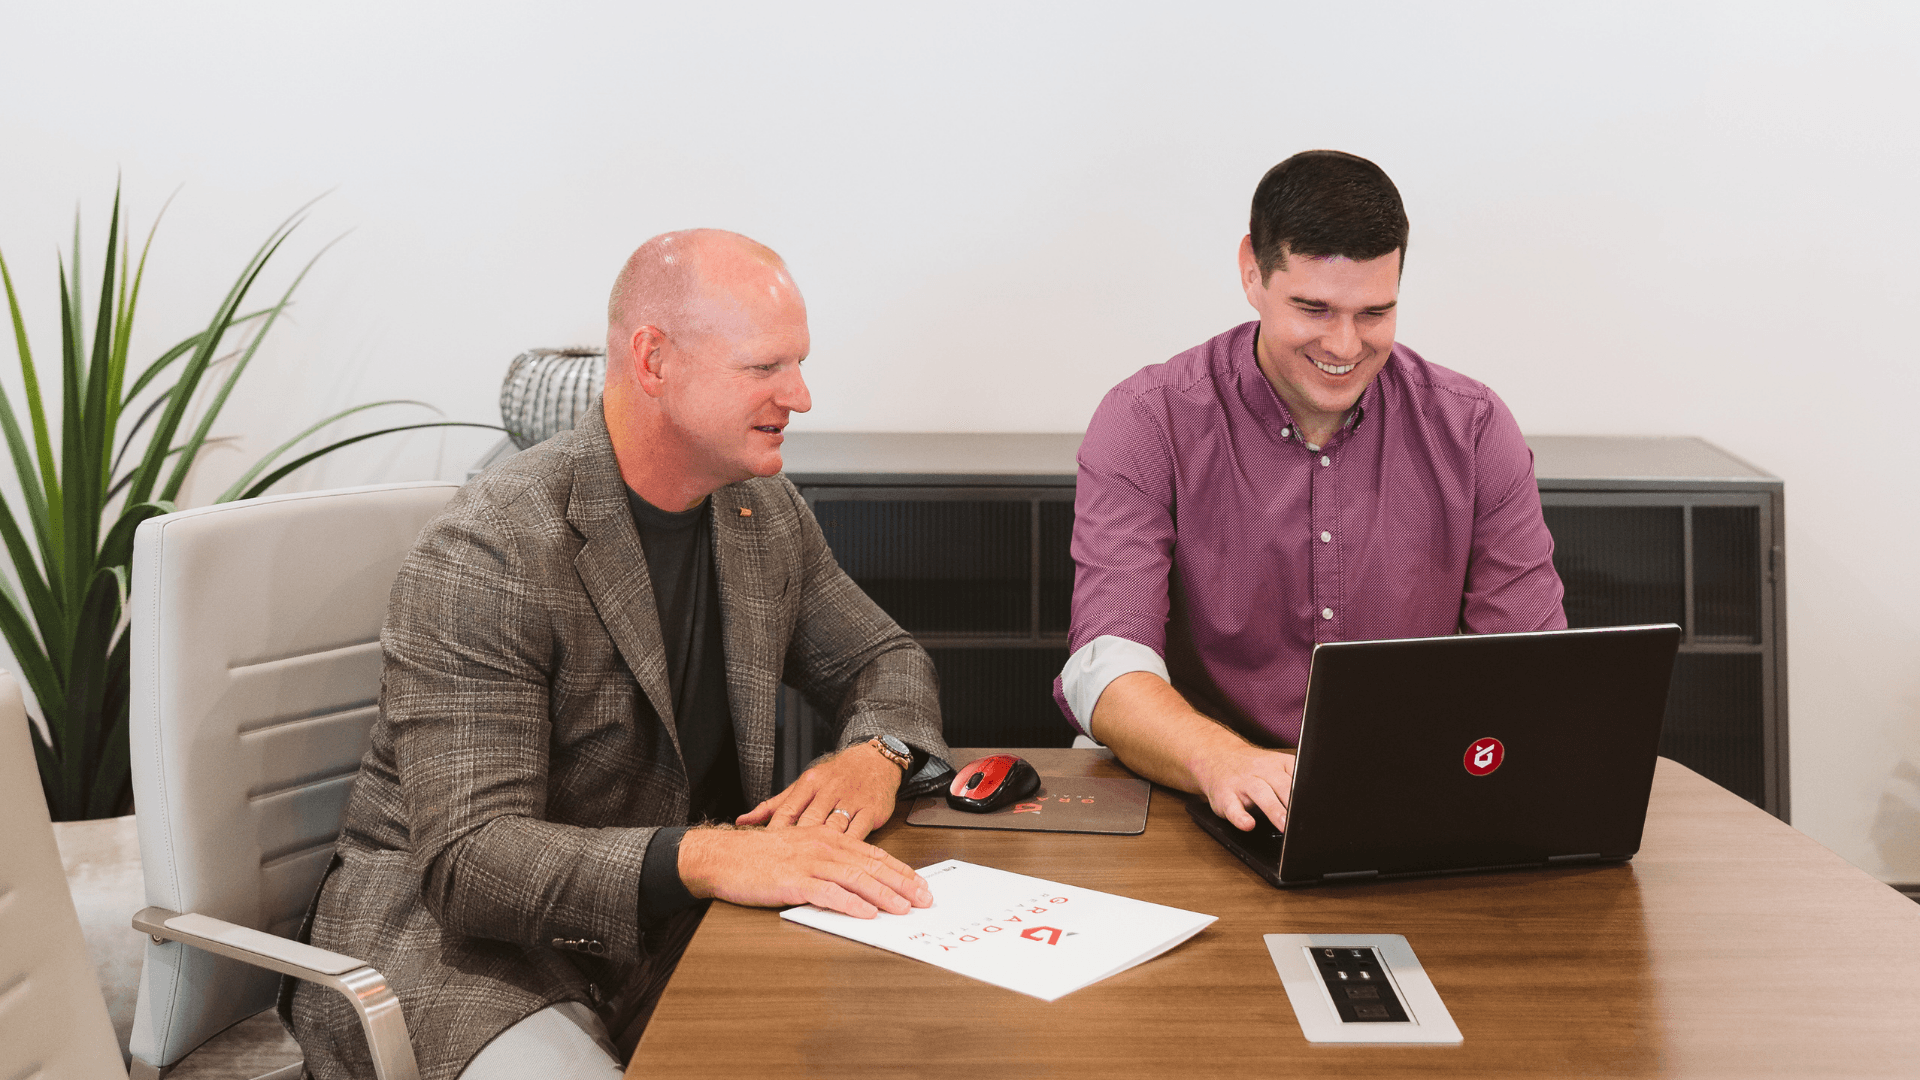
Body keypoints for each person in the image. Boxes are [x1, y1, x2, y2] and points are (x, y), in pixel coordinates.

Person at [287, 230, 955, 1080]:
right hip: (470, 947)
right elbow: (471, 860)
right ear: (653, 360)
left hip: (668, 924)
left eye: (799, 364)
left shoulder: (762, 513)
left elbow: (883, 658)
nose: (802, 395)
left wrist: (880, 753)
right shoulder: (491, 548)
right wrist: (713, 854)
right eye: (764, 369)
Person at [1057, 150, 1566, 836]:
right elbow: (1107, 663)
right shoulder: (1147, 419)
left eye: (1375, 312)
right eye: (1314, 308)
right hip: (1193, 795)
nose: (1346, 344)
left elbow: (1531, 671)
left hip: (1409, 798)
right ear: (1251, 272)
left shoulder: (1473, 427)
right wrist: (1223, 761)